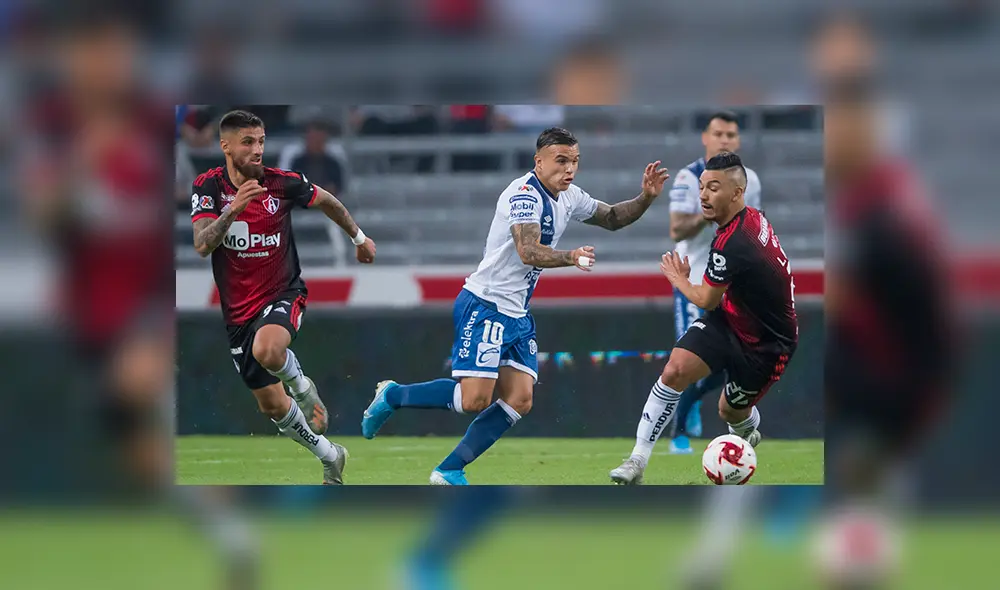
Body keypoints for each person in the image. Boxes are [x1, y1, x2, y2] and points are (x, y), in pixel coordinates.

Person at [361, 127, 670, 485]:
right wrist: (571, 257)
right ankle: (394, 394)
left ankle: (448, 469)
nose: (569, 169)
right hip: (486, 304)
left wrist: (646, 197)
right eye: (561, 161)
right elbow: (527, 250)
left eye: (575, 161)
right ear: (538, 162)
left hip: (518, 313)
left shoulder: (570, 196)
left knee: (520, 399)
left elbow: (614, 217)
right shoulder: (523, 195)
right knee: (474, 399)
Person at [190, 109, 377, 485]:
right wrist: (233, 211)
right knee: (272, 406)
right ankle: (330, 455)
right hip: (238, 316)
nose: (257, 149)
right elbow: (202, 244)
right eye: (248, 142)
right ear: (225, 145)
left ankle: (303, 387)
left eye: (261, 141)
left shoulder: (280, 182)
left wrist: (359, 238)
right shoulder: (207, 187)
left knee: (268, 349)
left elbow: (327, 200)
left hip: (283, 293)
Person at [610, 151, 797, 485]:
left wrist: (679, 278)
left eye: (713, 188)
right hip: (729, 319)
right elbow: (716, 302)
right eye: (701, 187)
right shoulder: (746, 219)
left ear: (737, 193)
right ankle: (637, 460)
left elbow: (705, 297)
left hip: (768, 345)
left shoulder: (735, 242)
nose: (703, 196)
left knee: (729, 411)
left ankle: (748, 428)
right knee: (675, 369)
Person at [664, 111, 762, 454]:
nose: (724, 139)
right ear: (705, 137)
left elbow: (753, 229)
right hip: (696, 283)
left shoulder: (750, 180)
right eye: (718, 133)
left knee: (742, 359)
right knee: (691, 362)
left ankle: (691, 409)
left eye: (731, 134)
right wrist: (711, 210)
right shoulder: (688, 178)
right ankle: (678, 431)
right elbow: (676, 229)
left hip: (735, 285)